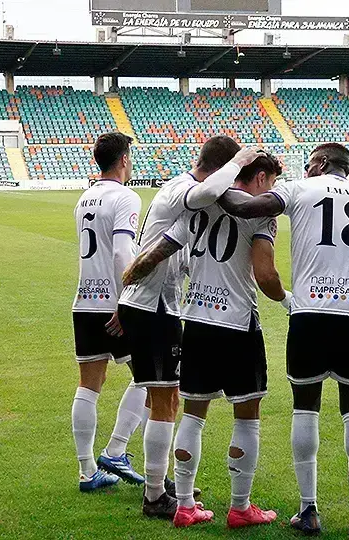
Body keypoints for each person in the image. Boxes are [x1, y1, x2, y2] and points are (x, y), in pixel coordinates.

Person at [220, 143, 349, 536]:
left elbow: (246, 207)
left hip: (307, 314)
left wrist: (209, 185)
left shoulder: (300, 189)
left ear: (320, 164)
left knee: (306, 408)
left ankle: (308, 510)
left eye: (308, 164)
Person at [121, 153, 288, 529]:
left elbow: (156, 253)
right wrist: (287, 299)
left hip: (194, 321)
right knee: (246, 414)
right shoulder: (261, 214)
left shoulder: (197, 208)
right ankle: (241, 507)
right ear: (260, 179)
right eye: (272, 182)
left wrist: (127, 282)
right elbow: (264, 274)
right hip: (238, 322)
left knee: (193, 414)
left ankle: (183, 505)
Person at [70, 132, 149, 492]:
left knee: (89, 386)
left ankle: (88, 470)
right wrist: (127, 299)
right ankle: (116, 449)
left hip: (85, 300)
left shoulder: (85, 197)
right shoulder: (126, 196)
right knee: (152, 378)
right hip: (116, 304)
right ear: (123, 160)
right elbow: (122, 251)